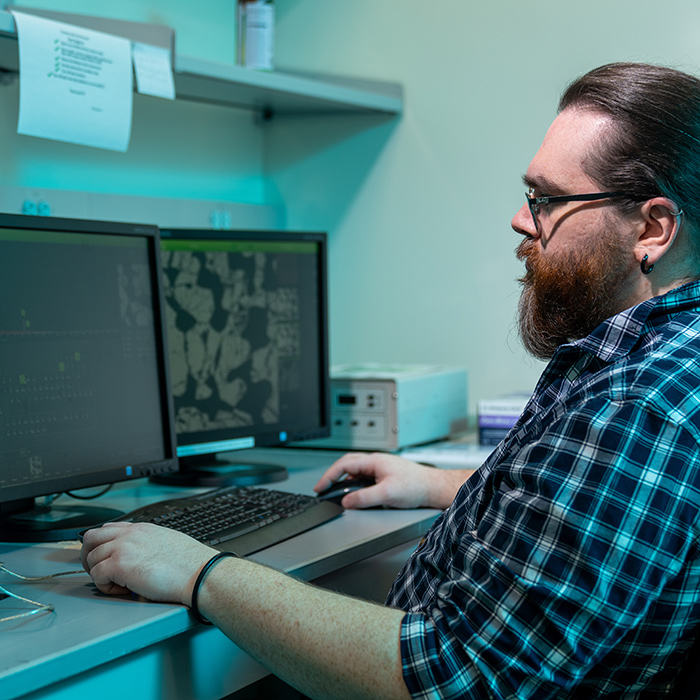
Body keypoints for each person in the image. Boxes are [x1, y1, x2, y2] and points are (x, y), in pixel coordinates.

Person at [82, 62, 700, 698]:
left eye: (547, 200)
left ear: (652, 229)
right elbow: (588, 503)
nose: (521, 220)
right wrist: (445, 486)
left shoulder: (635, 405)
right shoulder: (666, 361)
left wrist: (199, 571)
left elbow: (453, 678)